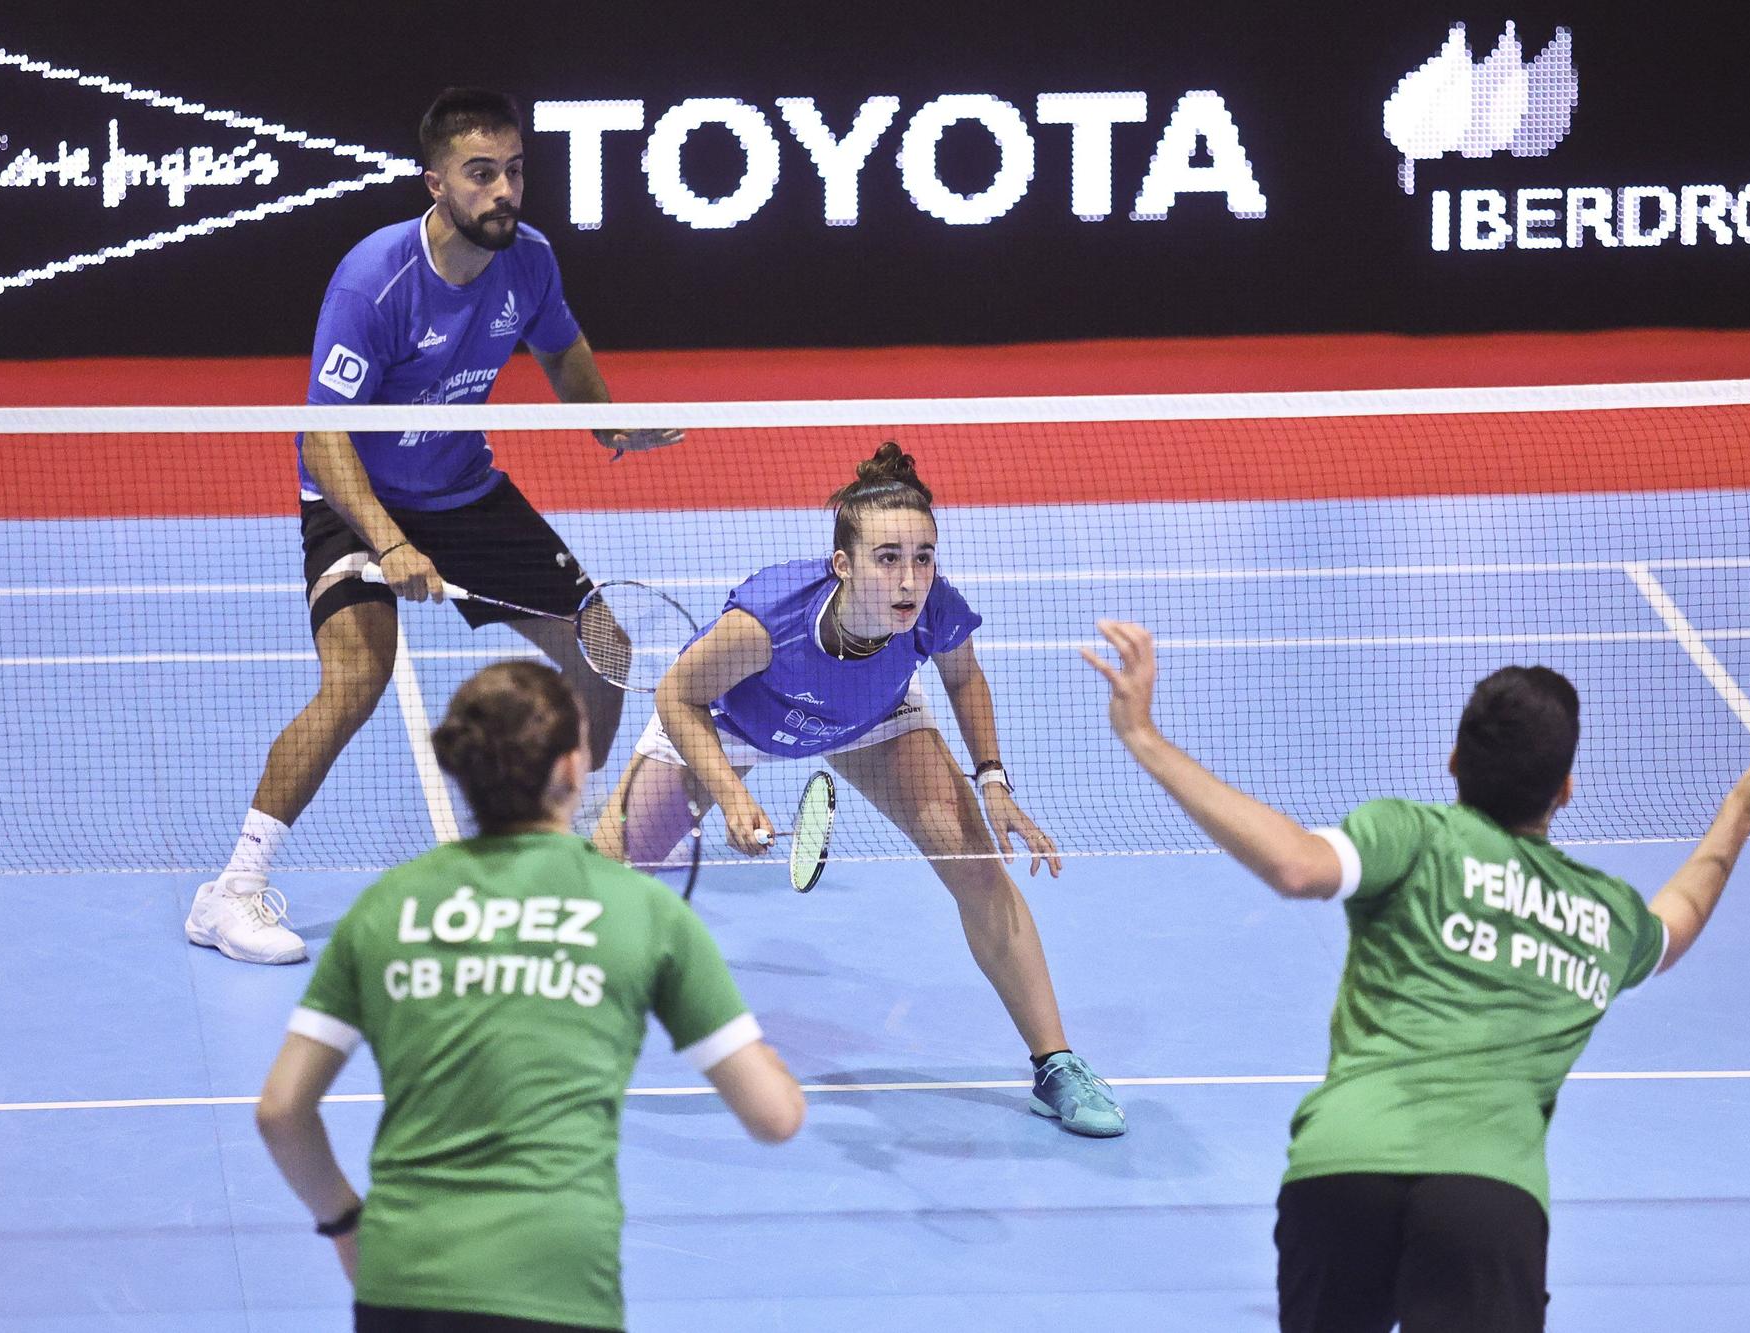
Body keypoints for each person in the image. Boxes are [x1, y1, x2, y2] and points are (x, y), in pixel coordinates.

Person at [1082, 619, 1750, 1332]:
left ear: (1453, 762)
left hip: (1342, 1171)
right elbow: (1679, 919)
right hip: (1488, 1198)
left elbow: (1296, 862)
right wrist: (1744, 808)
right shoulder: (1606, 914)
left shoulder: (1410, 835)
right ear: (1565, 788)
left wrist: (1145, 738)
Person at [188, 87, 680, 964]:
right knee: (357, 679)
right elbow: (323, 433)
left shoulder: (528, 260)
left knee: (605, 645)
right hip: (356, 499)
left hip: (463, 488)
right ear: (436, 184)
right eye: (481, 174)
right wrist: (386, 540)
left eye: (515, 172)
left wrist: (604, 420)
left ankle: (589, 847)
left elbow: (560, 347)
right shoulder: (375, 281)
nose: (504, 192)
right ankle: (231, 892)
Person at [593, 442, 1125, 1138]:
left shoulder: (935, 610)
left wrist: (992, 780)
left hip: (867, 719)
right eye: (888, 558)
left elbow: (963, 678)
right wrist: (729, 793)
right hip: (732, 720)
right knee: (602, 882)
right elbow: (677, 694)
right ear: (842, 564)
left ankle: (1056, 1063)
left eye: (924, 555)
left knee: (977, 870)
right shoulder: (770, 621)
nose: (910, 578)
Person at [256, 659, 804, 1332]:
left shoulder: (386, 907)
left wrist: (344, 1221)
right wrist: (770, 1059)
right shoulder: (639, 912)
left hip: (402, 1276)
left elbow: (282, 1111)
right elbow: (774, 1116)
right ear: (573, 770)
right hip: (561, 1280)